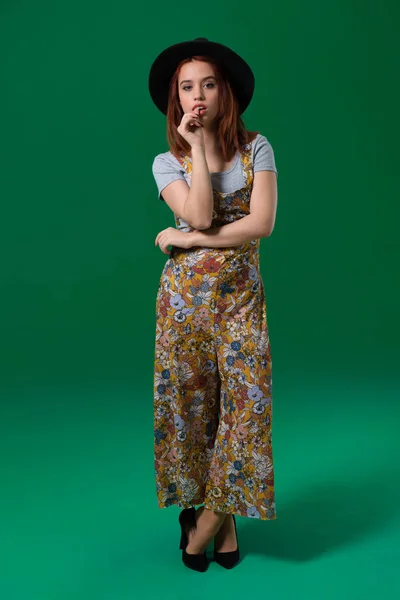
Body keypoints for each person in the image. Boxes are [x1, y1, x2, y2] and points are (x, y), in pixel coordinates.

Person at [149, 37, 278, 572]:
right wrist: (198, 149)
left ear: (227, 92)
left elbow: (262, 225)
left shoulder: (258, 148)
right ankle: (218, 526)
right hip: (183, 306)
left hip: (240, 302)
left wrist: (189, 241)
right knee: (194, 414)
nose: (197, 96)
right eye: (187, 87)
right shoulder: (166, 161)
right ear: (176, 100)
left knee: (245, 413)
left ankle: (200, 528)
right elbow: (201, 214)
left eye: (208, 84)